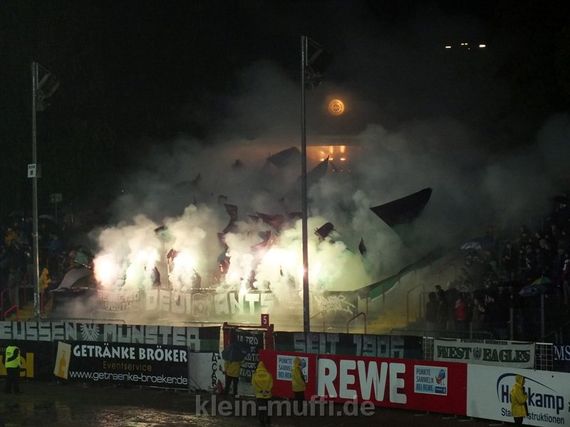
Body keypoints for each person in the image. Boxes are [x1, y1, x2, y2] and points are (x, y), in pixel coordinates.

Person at [252, 361, 273, 427]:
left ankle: (262, 422)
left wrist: (261, 391)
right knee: (269, 409)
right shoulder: (269, 374)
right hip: (268, 395)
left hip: (259, 395)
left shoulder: (255, 375)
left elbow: (254, 385)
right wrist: (267, 390)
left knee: (261, 409)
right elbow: (271, 384)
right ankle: (268, 421)